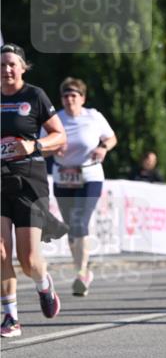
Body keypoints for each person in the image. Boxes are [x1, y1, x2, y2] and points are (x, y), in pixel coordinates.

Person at [1, 43, 66, 338]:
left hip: (29, 180)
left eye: (12, 64)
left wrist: (34, 145)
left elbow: (59, 136)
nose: (6, 70)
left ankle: (43, 284)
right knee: (0, 252)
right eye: (2, 65)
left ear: (23, 67)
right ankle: (11, 318)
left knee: (29, 261)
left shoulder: (35, 96)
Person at [51, 77, 117, 296]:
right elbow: (41, 145)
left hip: (89, 176)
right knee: (71, 227)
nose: (69, 100)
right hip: (63, 178)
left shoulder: (93, 116)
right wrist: (52, 149)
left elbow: (111, 138)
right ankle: (84, 269)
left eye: (74, 95)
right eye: (65, 96)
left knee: (80, 221)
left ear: (82, 98)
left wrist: (103, 148)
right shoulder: (55, 119)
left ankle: (80, 274)